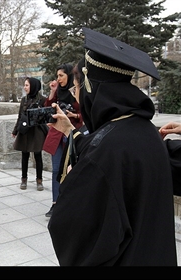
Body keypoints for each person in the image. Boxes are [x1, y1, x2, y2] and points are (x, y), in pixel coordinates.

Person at [47, 27, 177, 266]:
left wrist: (73, 182)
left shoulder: (105, 151)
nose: (77, 97)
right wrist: (70, 131)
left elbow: (73, 229)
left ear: (90, 87)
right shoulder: (146, 130)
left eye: (77, 88)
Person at [43, 64, 83, 217]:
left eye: (61, 75)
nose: (58, 79)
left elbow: (86, 111)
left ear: (69, 76)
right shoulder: (58, 92)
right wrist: (52, 92)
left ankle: (70, 202)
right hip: (57, 134)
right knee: (56, 170)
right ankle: (55, 203)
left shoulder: (76, 91)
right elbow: (48, 109)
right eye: (57, 76)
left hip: (73, 134)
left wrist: (75, 116)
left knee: (72, 170)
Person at [11, 77, 46, 191]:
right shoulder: (24, 100)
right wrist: (15, 130)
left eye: (27, 85)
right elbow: (20, 116)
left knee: (37, 155)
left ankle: (39, 180)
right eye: (24, 85)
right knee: (24, 155)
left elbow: (45, 116)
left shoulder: (42, 99)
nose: (25, 87)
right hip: (25, 130)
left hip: (36, 131)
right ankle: (24, 179)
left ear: (33, 86)